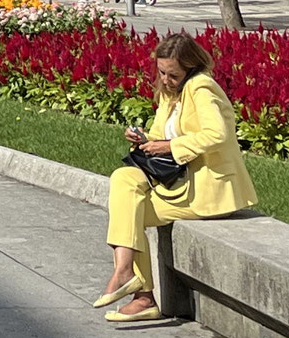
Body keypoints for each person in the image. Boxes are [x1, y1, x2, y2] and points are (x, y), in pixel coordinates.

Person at [101, 33, 257, 321]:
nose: (166, 79)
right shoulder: (171, 94)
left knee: (129, 212)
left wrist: (170, 146)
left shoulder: (201, 87)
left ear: (190, 68)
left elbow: (217, 134)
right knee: (124, 179)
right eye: (161, 72)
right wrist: (144, 138)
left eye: (173, 74)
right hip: (182, 183)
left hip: (208, 191)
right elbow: (163, 136)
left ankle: (141, 293)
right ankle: (129, 278)